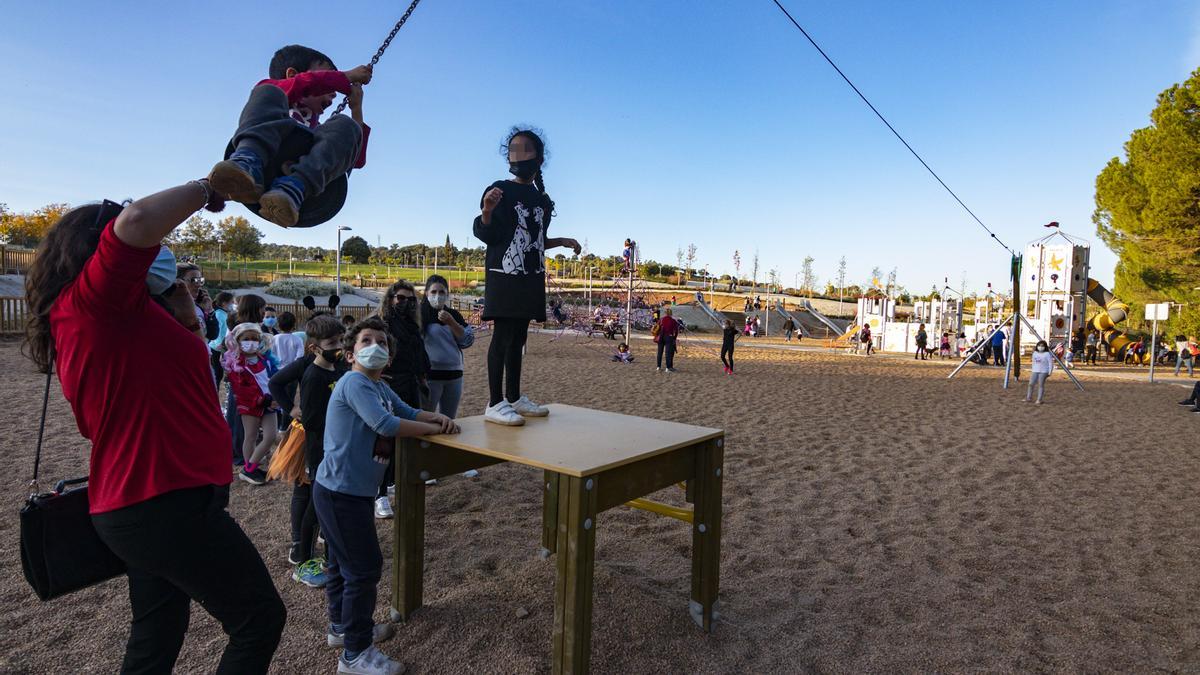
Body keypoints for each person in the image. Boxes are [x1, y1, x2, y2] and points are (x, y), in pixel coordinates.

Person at [24, 182, 285, 671]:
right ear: (96, 251)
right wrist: (211, 188)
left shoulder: (121, 315)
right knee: (259, 619)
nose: (159, 251)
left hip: (152, 499)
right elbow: (140, 219)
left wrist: (188, 320)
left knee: (157, 635)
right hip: (161, 498)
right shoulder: (94, 304)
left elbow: (170, 381)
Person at [314, 318, 458, 674]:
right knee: (363, 569)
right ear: (350, 353)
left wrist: (438, 420)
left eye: (382, 342)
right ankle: (355, 654)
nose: (375, 346)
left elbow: (406, 411)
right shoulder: (354, 382)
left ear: (389, 358)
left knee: (341, 564)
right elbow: (386, 425)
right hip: (339, 492)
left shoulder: (378, 385)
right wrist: (431, 430)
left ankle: (343, 628)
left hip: (352, 491)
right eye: (367, 340)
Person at [473, 127, 581, 425]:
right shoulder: (498, 189)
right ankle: (494, 402)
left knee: (519, 337)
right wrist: (486, 210)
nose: (517, 155)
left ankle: (514, 397)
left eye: (525, 149)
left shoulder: (541, 199)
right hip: (505, 275)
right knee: (502, 336)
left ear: (538, 157)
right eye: (513, 150)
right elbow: (489, 233)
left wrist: (563, 242)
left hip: (530, 274)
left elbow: (537, 240)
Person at [208, 45, 374, 227]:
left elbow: (354, 159)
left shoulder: (317, 132)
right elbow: (302, 84)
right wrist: (346, 76)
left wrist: (356, 110)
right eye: (329, 78)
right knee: (267, 92)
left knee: (345, 125)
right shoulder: (273, 95)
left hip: (304, 187)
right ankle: (246, 164)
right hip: (264, 160)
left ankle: (293, 188)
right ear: (293, 75)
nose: (334, 92)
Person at [293, 314, 348, 587]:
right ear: (315, 347)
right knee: (316, 509)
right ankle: (303, 561)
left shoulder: (337, 369)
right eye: (331, 342)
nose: (337, 346)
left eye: (340, 339)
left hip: (337, 448)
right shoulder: (313, 376)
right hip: (320, 452)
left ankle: (329, 557)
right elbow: (311, 420)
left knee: (331, 508)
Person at [376, 279, 430, 518]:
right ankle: (379, 496)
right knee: (384, 441)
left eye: (410, 299)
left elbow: (418, 356)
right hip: (388, 384)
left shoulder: (411, 325)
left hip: (410, 385)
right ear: (390, 298)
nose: (405, 303)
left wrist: (422, 378)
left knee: (405, 439)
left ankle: (393, 484)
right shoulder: (381, 324)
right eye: (400, 298)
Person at [224, 323, 281, 485]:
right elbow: (242, 390)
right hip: (251, 406)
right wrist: (262, 400)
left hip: (270, 404)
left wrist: (276, 397)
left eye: (255, 339)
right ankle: (251, 469)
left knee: (270, 436)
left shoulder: (266, 359)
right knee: (251, 436)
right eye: (246, 339)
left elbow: (273, 378)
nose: (251, 342)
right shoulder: (236, 365)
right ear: (237, 341)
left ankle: (249, 468)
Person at [420, 274, 475, 419]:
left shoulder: (454, 315)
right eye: (433, 292)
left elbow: (467, 341)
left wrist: (452, 323)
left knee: (449, 420)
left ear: (447, 294)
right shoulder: (420, 315)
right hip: (430, 377)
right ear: (426, 294)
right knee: (427, 419)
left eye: (441, 292)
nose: (437, 296)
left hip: (454, 375)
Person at [226, 293, 268, 467]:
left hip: (255, 377)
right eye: (263, 308)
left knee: (248, 423)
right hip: (243, 379)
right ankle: (239, 455)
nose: (264, 312)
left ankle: (248, 455)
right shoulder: (242, 328)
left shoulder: (256, 326)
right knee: (239, 419)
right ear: (254, 308)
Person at [176, 262, 219, 341]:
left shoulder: (199, 306)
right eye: (194, 280)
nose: (198, 285)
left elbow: (213, 335)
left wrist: (209, 311)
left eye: (200, 280)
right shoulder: (171, 309)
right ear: (178, 282)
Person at [209, 292, 236, 385]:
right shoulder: (219, 314)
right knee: (217, 373)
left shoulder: (224, 313)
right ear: (224, 303)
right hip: (216, 347)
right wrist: (218, 343)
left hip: (221, 346)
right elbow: (218, 330)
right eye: (232, 302)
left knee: (219, 372)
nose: (234, 304)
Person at [1026, 339, 1053, 404]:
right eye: (1039, 345)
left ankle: (1039, 399)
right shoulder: (1035, 353)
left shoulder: (1047, 354)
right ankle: (1028, 397)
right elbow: (1033, 362)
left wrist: (1050, 371)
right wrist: (1032, 369)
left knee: (1040, 385)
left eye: (1042, 346)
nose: (1040, 347)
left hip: (1043, 371)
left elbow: (1050, 363)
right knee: (1031, 384)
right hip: (1035, 370)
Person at [655, 307, 680, 373]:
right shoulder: (673, 321)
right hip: (669, 337)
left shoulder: (661, 319)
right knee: (668, 353)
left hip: (660, 337)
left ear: (665, 313)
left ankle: (658, 366)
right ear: (671, 313)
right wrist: (674, 338)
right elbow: (676, 331)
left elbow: (656, 327)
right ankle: (668, 367)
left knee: (659, 352)